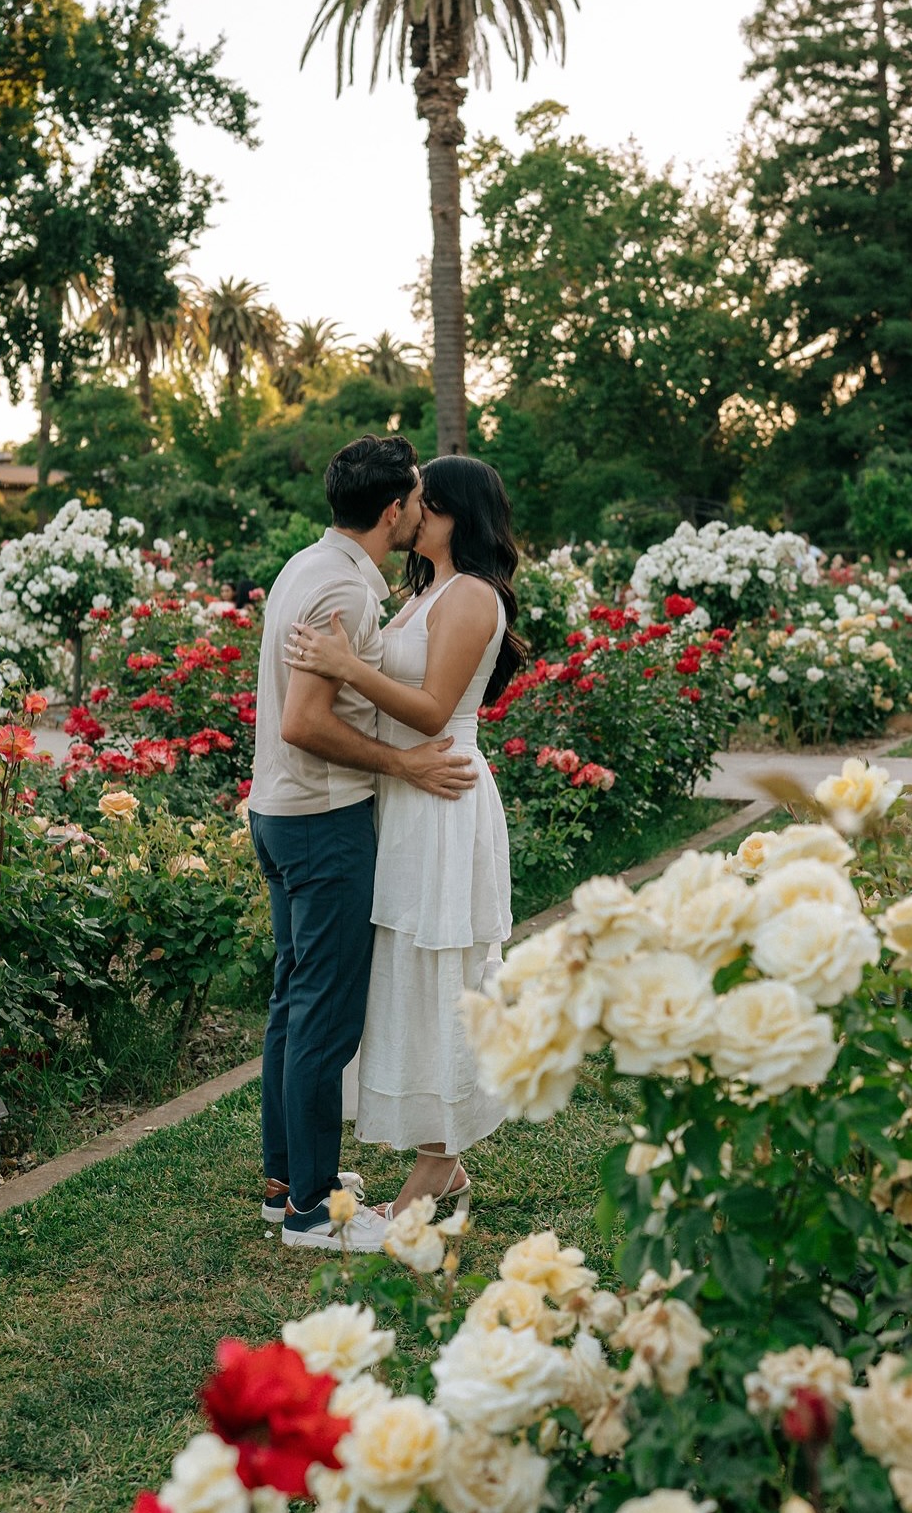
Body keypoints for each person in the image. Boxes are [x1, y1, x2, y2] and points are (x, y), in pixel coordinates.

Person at [247, 434, 476, 1253]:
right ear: (392, 510)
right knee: (324, 1015)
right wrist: (403, 763)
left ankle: (287, 1181)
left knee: (293, 1002)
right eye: (416, 497)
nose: (422, 508)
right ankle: (312, 1211)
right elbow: (305, 721)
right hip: (322, 821)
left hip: (281, 812)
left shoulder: (308, 565)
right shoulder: (344, 588)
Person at [287, 455, 527, 1218]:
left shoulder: (473, 596)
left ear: (458, 515)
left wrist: (347, 666)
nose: (415, 512)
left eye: (429, 503)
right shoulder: (425, 592)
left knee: (441, 977)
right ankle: (439, 1160)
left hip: (442, 791)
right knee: (408, 976)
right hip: (409, 793)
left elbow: (431, 709)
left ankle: (438, 1164)